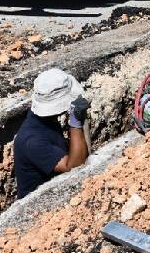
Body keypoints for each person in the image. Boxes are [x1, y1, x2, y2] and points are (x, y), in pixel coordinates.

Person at [13, 68, 91, 198]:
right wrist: (75, 123)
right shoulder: (32, 141)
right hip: (38, 205)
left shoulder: (44, 120)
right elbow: (74, 167)